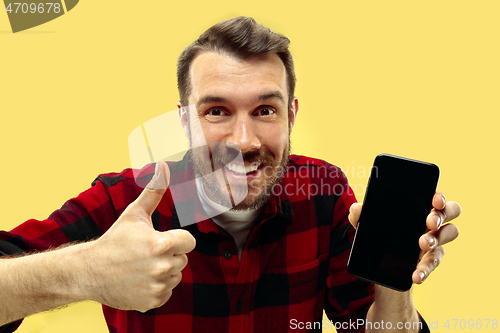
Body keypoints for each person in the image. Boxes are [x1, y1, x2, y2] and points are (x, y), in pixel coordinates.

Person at [0, 16, 461, 332]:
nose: (244, 141)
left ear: (291, 116)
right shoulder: (127, 200)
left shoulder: (325, 194)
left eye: (265, 109)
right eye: (217, 111)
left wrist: (392, 279)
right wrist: (86, 271)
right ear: (184, 121)